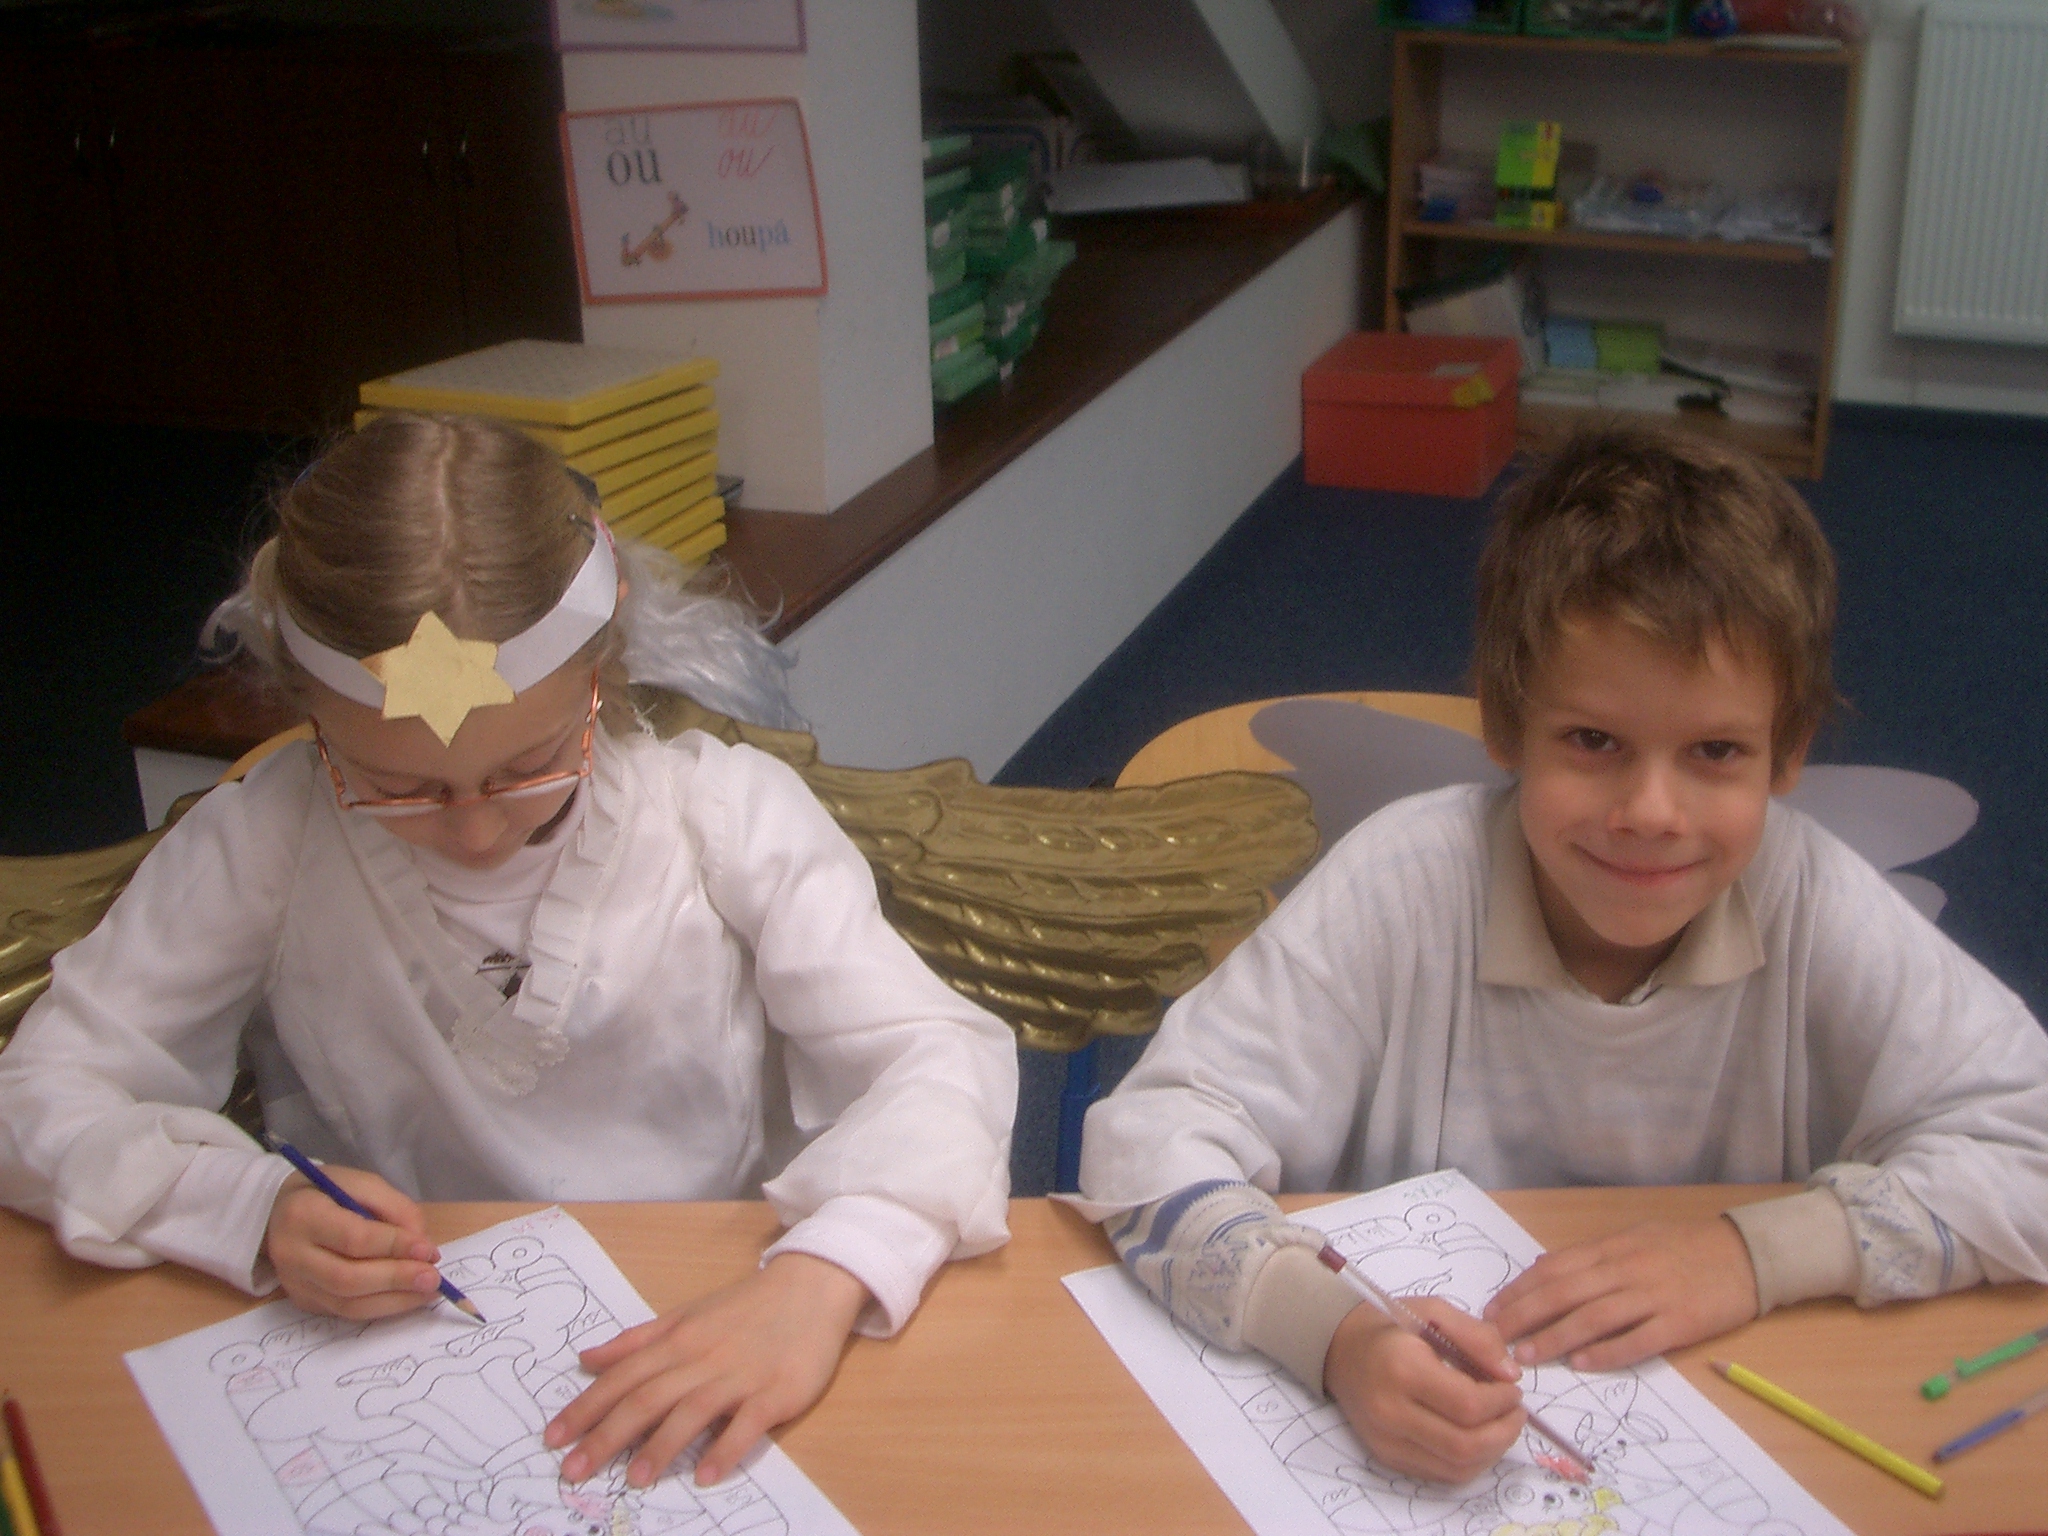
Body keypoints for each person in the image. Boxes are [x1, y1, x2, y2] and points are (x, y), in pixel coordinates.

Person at [0, 412, 1018, 1491]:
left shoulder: (719, 817)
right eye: (398, 787)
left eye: (529, 766)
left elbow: (939, 1059)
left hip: (720, 1300)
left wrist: (824, 1273)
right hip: (407, 1346)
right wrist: (245, 1209)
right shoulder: (268, 842)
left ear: (600, 671)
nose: (477, 831)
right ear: (311, 716)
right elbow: (39, 1096)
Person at [1075, 424, 2048, 1483]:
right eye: (1592, 742)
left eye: (1715, 751)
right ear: (1506, 724)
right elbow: (1149, 1143)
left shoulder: (1809, 898)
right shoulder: (1404, 879)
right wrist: (1333, 1335)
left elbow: (2028, 1145)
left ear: (1786, 752)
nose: (1651, 812)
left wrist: (1752, 1255)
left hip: (1732, 1415)